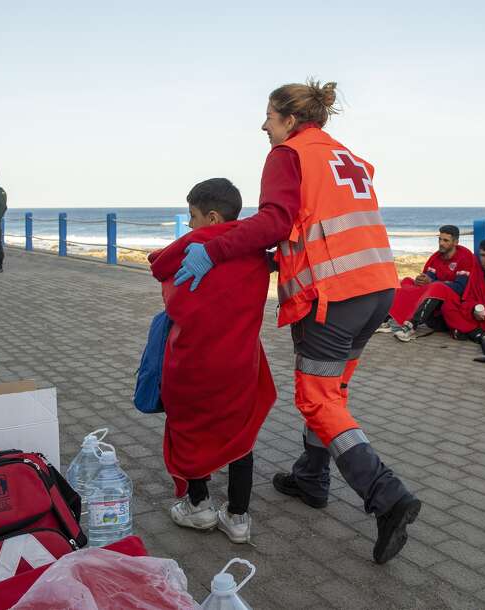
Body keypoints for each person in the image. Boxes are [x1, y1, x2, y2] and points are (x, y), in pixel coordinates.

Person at [172, 80, 421, 564]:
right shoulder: (344, 156)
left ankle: (387, 496)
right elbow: (317, 224)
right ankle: (311, 477)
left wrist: (215, 249)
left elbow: (275, 221)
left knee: (316, 398)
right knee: (334, 393)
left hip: (334, 295)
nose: (263, 124)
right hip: (377, 288)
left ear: (289, 119)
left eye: (268, 114)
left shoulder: (288, 154)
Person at [149, 178, 276, 543]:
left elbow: (161, 270)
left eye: (192, 216)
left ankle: (199, 505)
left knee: (189, 428)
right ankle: (237, 517)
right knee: (241, 432)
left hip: (193, 362)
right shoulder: (254, 252)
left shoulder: (194, 246)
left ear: (213, 217)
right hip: (239, 362)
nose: (189, 225)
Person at [388, 225, 473, 342]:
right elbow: (429, 277)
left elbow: (460, 288)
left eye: (446, 240)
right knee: (407, 281)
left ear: (455, 242)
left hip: (451, 305)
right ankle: (392, 319)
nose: (441, 243)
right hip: (434, 298)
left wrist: (432, 282)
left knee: (437, 287)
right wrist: (421, 280)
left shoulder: (464, 258)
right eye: (440, 239)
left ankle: (411, 327)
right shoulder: (437, 257)